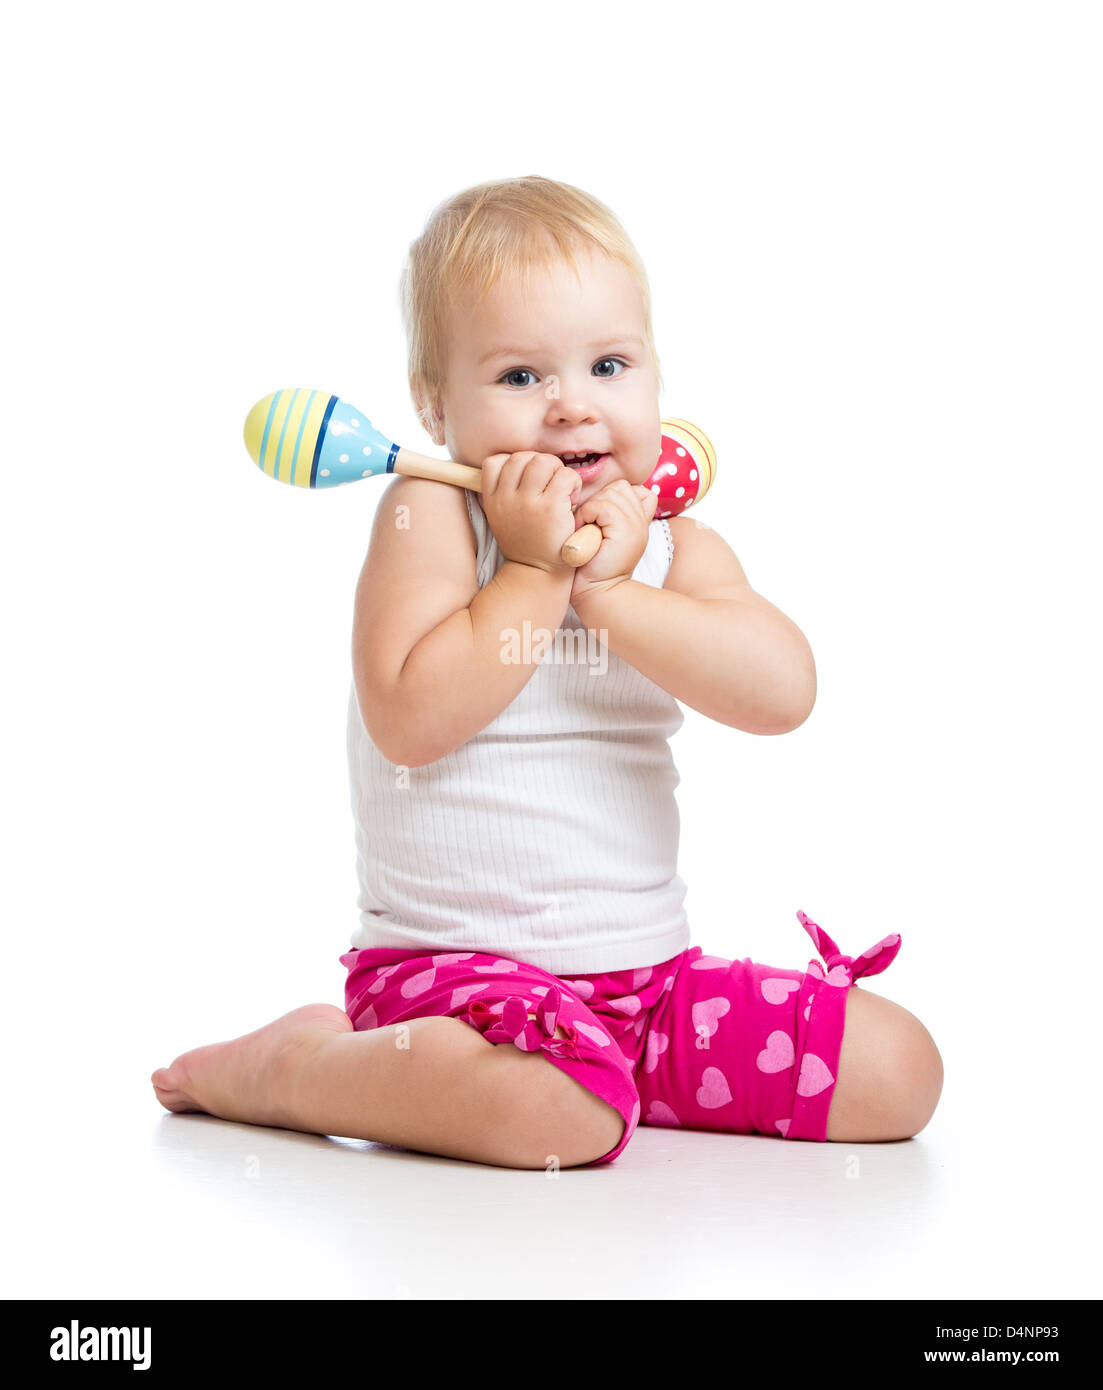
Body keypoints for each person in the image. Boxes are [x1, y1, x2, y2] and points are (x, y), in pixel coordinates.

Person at [151, 175, 943, 1169]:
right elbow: (408, 717)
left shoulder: (671, 549)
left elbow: (783, 691)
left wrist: (614, 595)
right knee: (560, 1115)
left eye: (608, 364)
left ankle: (602, 1075)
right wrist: (530, 571)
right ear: (435, 404)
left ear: (654, 381)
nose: (572, 405)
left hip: (644, 992)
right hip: (448, 983)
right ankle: (301, 1067)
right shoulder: (430, 519)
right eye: (521, 377)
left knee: (897, 1068)